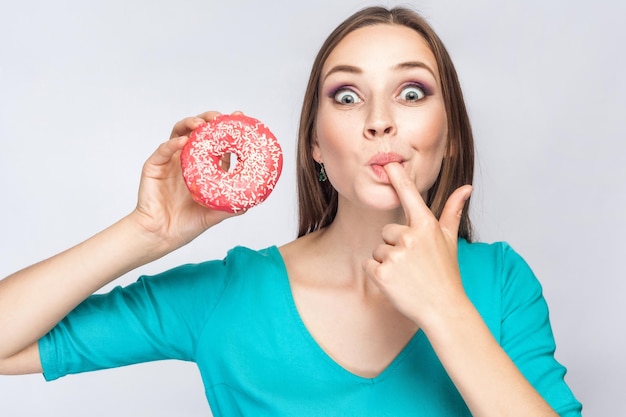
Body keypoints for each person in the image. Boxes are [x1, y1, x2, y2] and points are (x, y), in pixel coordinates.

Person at [0, 6, 582, 416]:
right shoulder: (230, 294)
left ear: (450, 135)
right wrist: (145, 233)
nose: (379, 119)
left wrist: (447, 311)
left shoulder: (501, 283)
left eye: (411, 92)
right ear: (315, 144)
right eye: (347, 97)